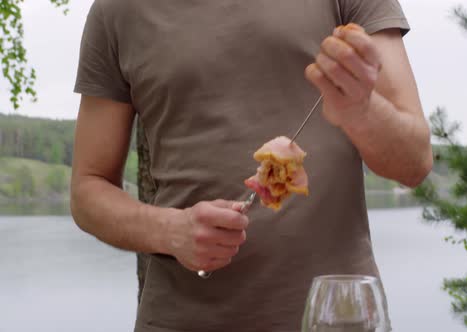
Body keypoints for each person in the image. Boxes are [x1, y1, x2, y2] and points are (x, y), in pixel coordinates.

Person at [70, 0, 432, 331]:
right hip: (182, 319)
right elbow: (88, 188)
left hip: (336, 317)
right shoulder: (115, 11)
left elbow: (413, 162)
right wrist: (171, 230)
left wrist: (362, 111)